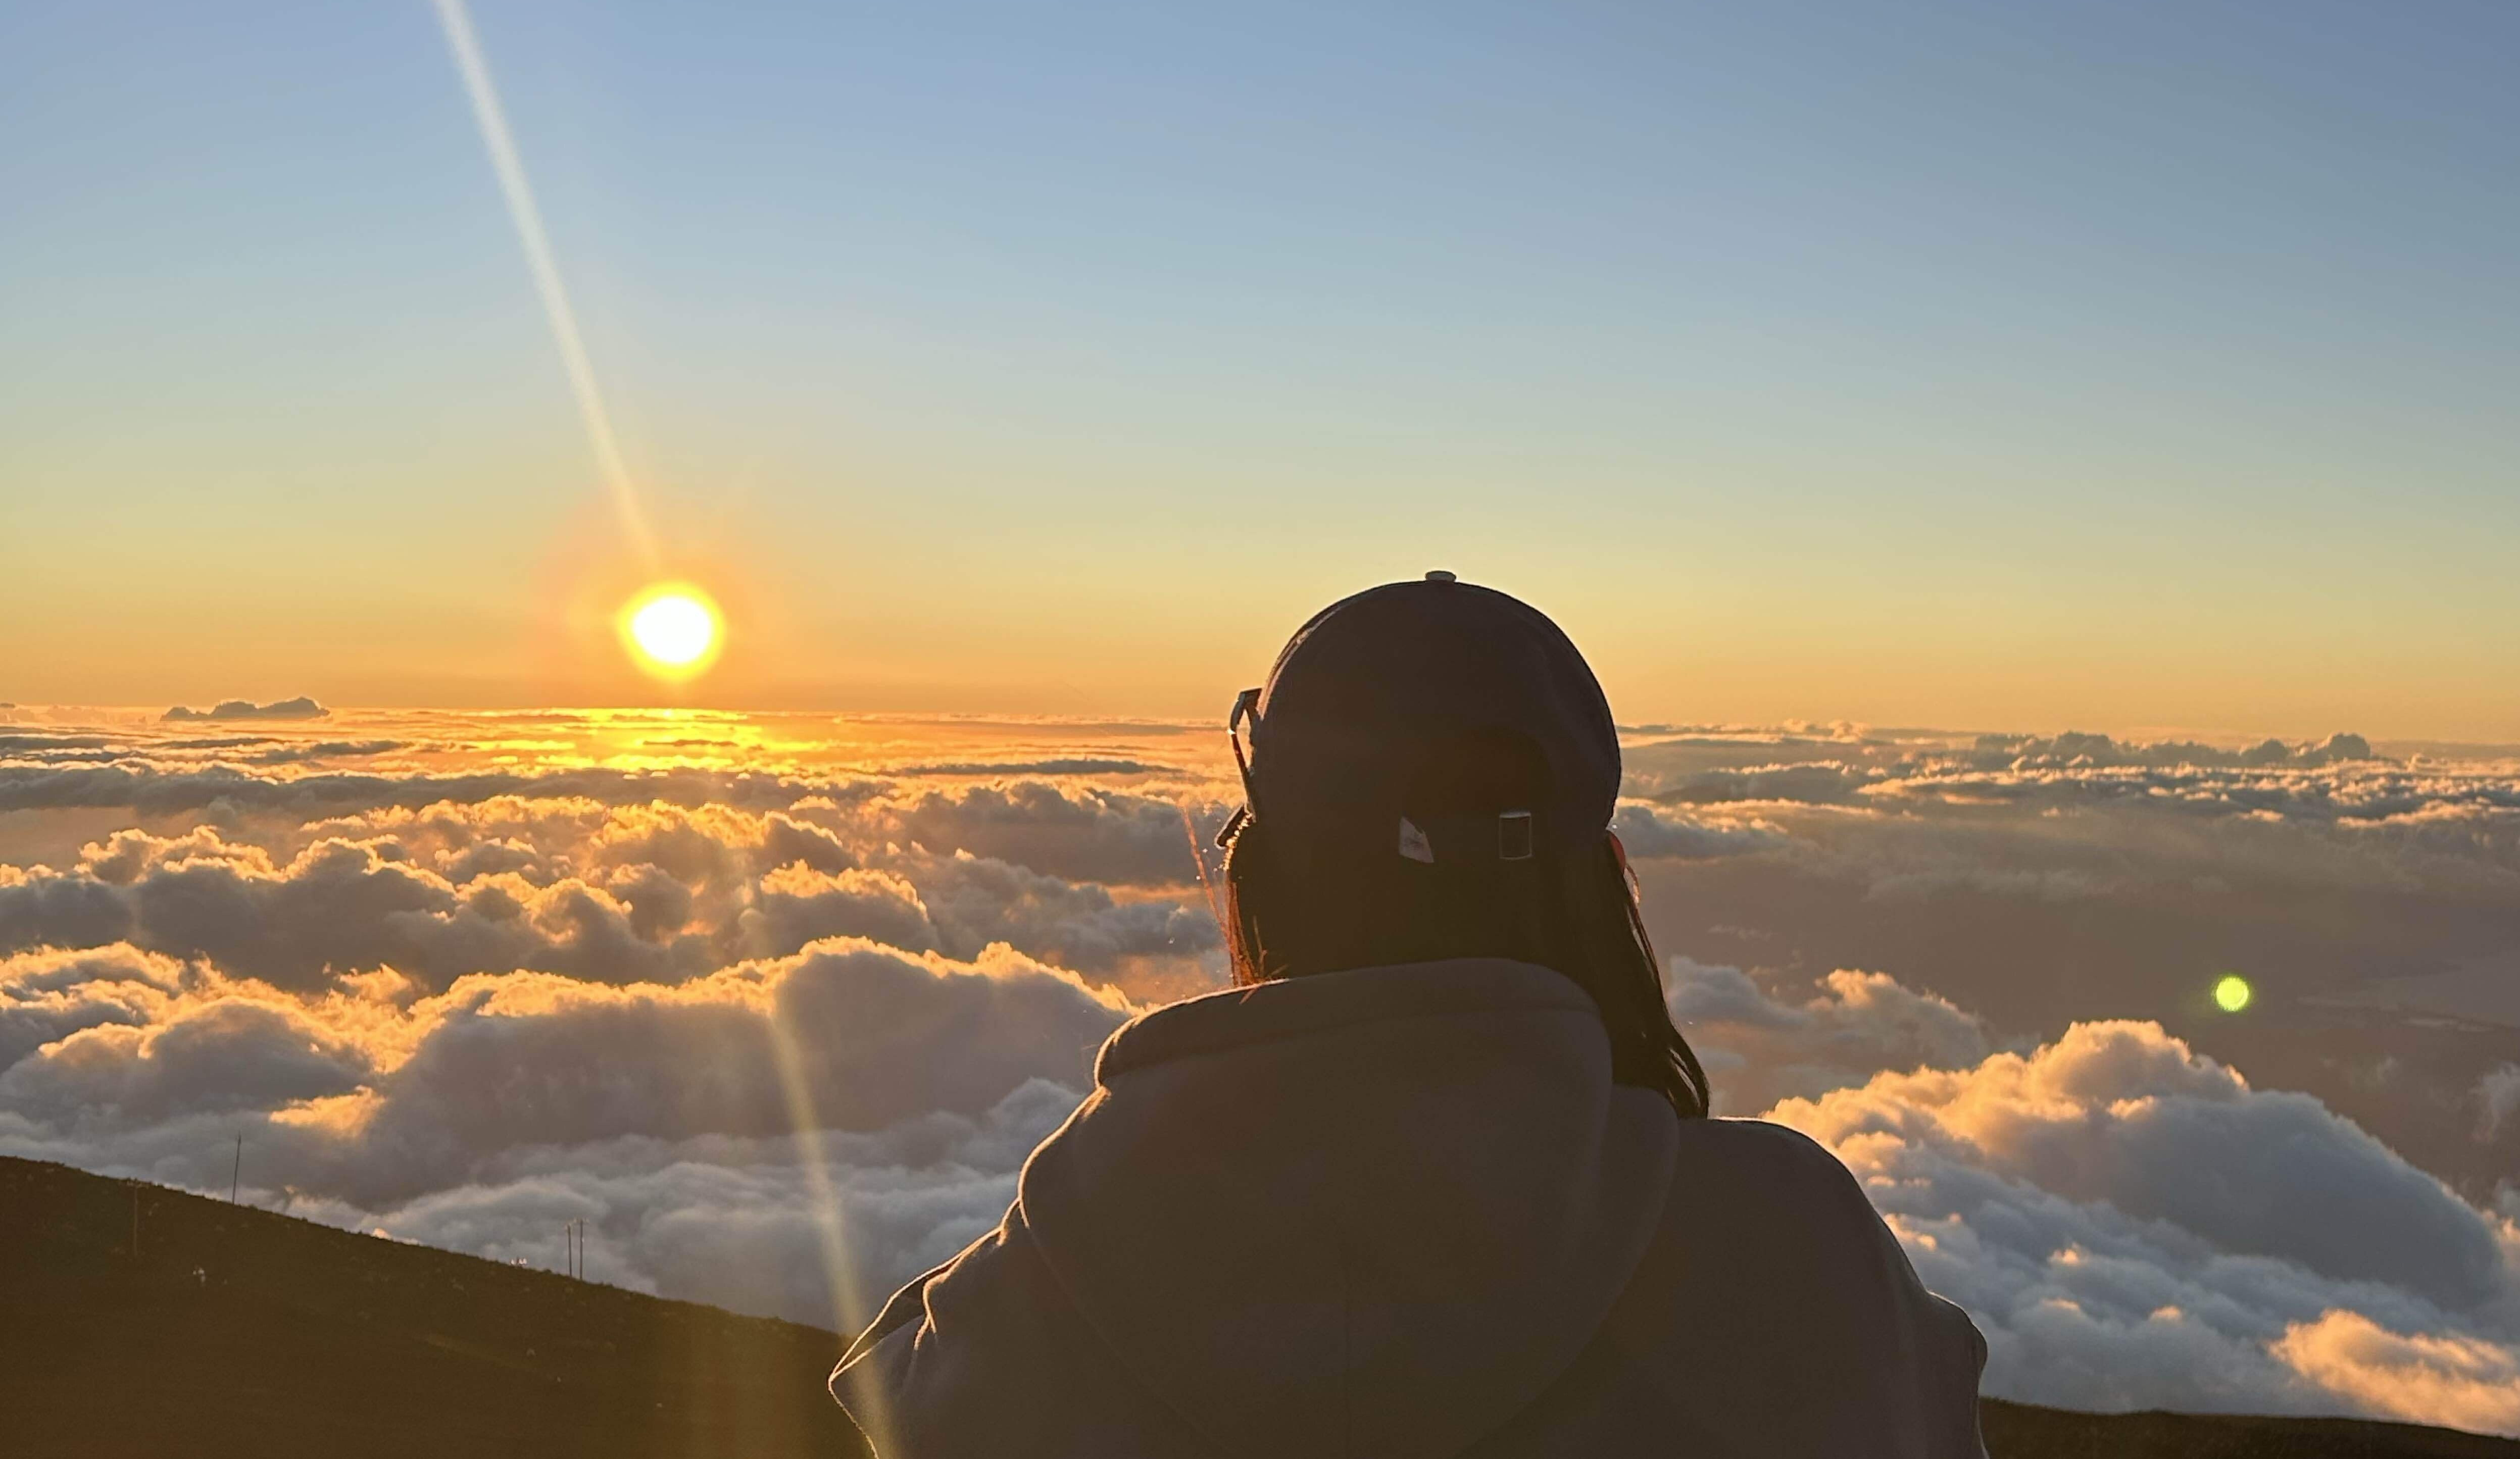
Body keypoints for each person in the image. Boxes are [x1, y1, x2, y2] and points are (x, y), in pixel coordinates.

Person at [831, 574, 1990, 1458]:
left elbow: (899, 1400)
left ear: (1269, 870)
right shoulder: (1804, 1251)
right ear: (1593, 880)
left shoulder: (1065, 1270)